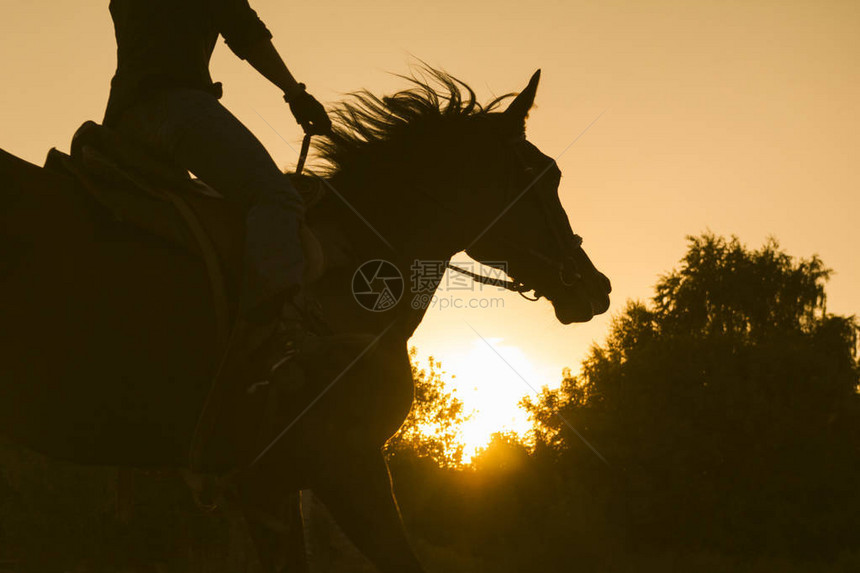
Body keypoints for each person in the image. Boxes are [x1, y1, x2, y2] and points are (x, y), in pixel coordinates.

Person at [103, 0, 329, 334]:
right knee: (275, 197)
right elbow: (243, 29)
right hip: (177, 107)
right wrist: (295, 93)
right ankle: (271, 339)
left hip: (122, 123)